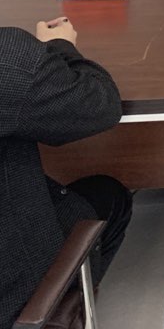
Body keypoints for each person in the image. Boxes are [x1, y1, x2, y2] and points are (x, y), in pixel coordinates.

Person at [1, 17, 132, 327]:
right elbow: (99, 104)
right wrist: (59, 47)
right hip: (16, 299)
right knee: (110, 196)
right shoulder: (8, 62)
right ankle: (66, 311)